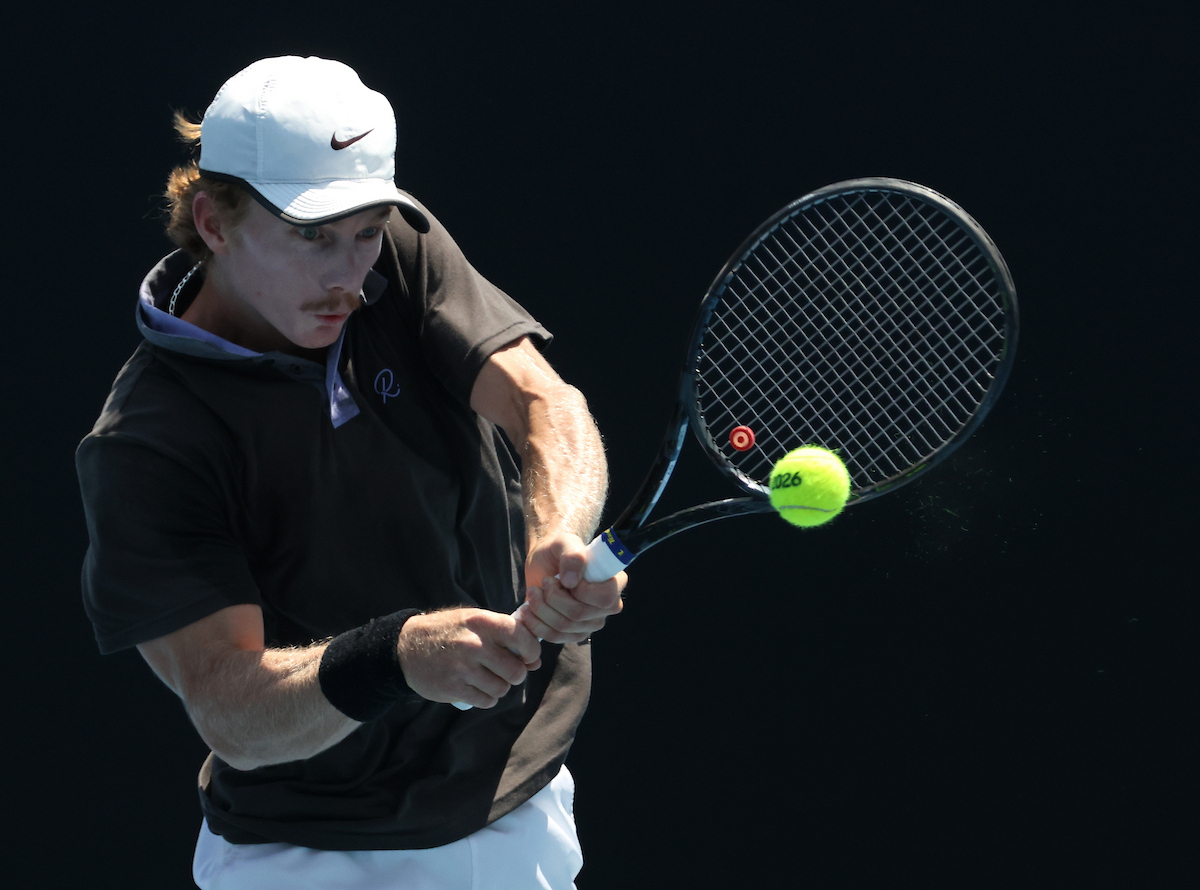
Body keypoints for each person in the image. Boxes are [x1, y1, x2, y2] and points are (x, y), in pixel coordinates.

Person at [76, 55, 625, 889]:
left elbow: (548, 406)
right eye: (311, 235)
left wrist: (559, 535)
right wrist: (395, 657)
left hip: (514, 813)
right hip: (304, 856)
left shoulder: (391, 258)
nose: (347, 275)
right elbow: (231, 709)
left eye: (365, 229)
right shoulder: (147, 442)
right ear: (213, 222)